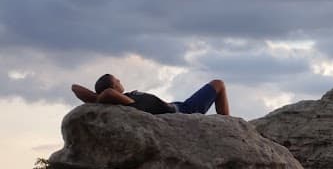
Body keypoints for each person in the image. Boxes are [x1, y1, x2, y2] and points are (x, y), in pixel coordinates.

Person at [71, 74, 231, 116]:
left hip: (178, 106)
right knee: (218, 84)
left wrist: (95, 98)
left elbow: (74, 87)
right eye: (117, 80)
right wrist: (99, 98)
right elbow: (107, 93)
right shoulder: (126, 102)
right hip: (184, 111)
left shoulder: (124, 98)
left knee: (217, 84)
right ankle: (228, 125)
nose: (120, 81)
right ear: (114, 87)